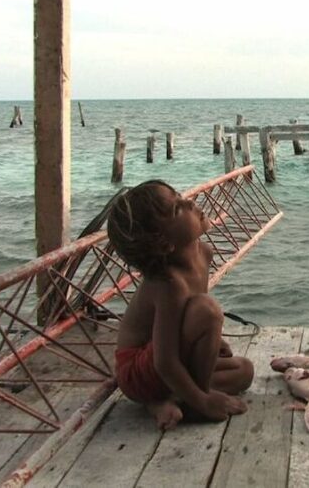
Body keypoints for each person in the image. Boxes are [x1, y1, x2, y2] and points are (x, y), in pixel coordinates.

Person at [107, 180, 254, 430]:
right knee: (207, 310)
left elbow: (188, 316)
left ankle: (170, 399)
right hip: (137, 372)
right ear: (164, 244)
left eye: (180, 196)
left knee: (244, 371)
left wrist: (213, 341)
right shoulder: (168, 283)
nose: (190, 202)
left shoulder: (204, 253)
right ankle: (192, 403)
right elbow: (164, 361)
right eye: (177, 209)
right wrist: (205, 402)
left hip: (164, 358)